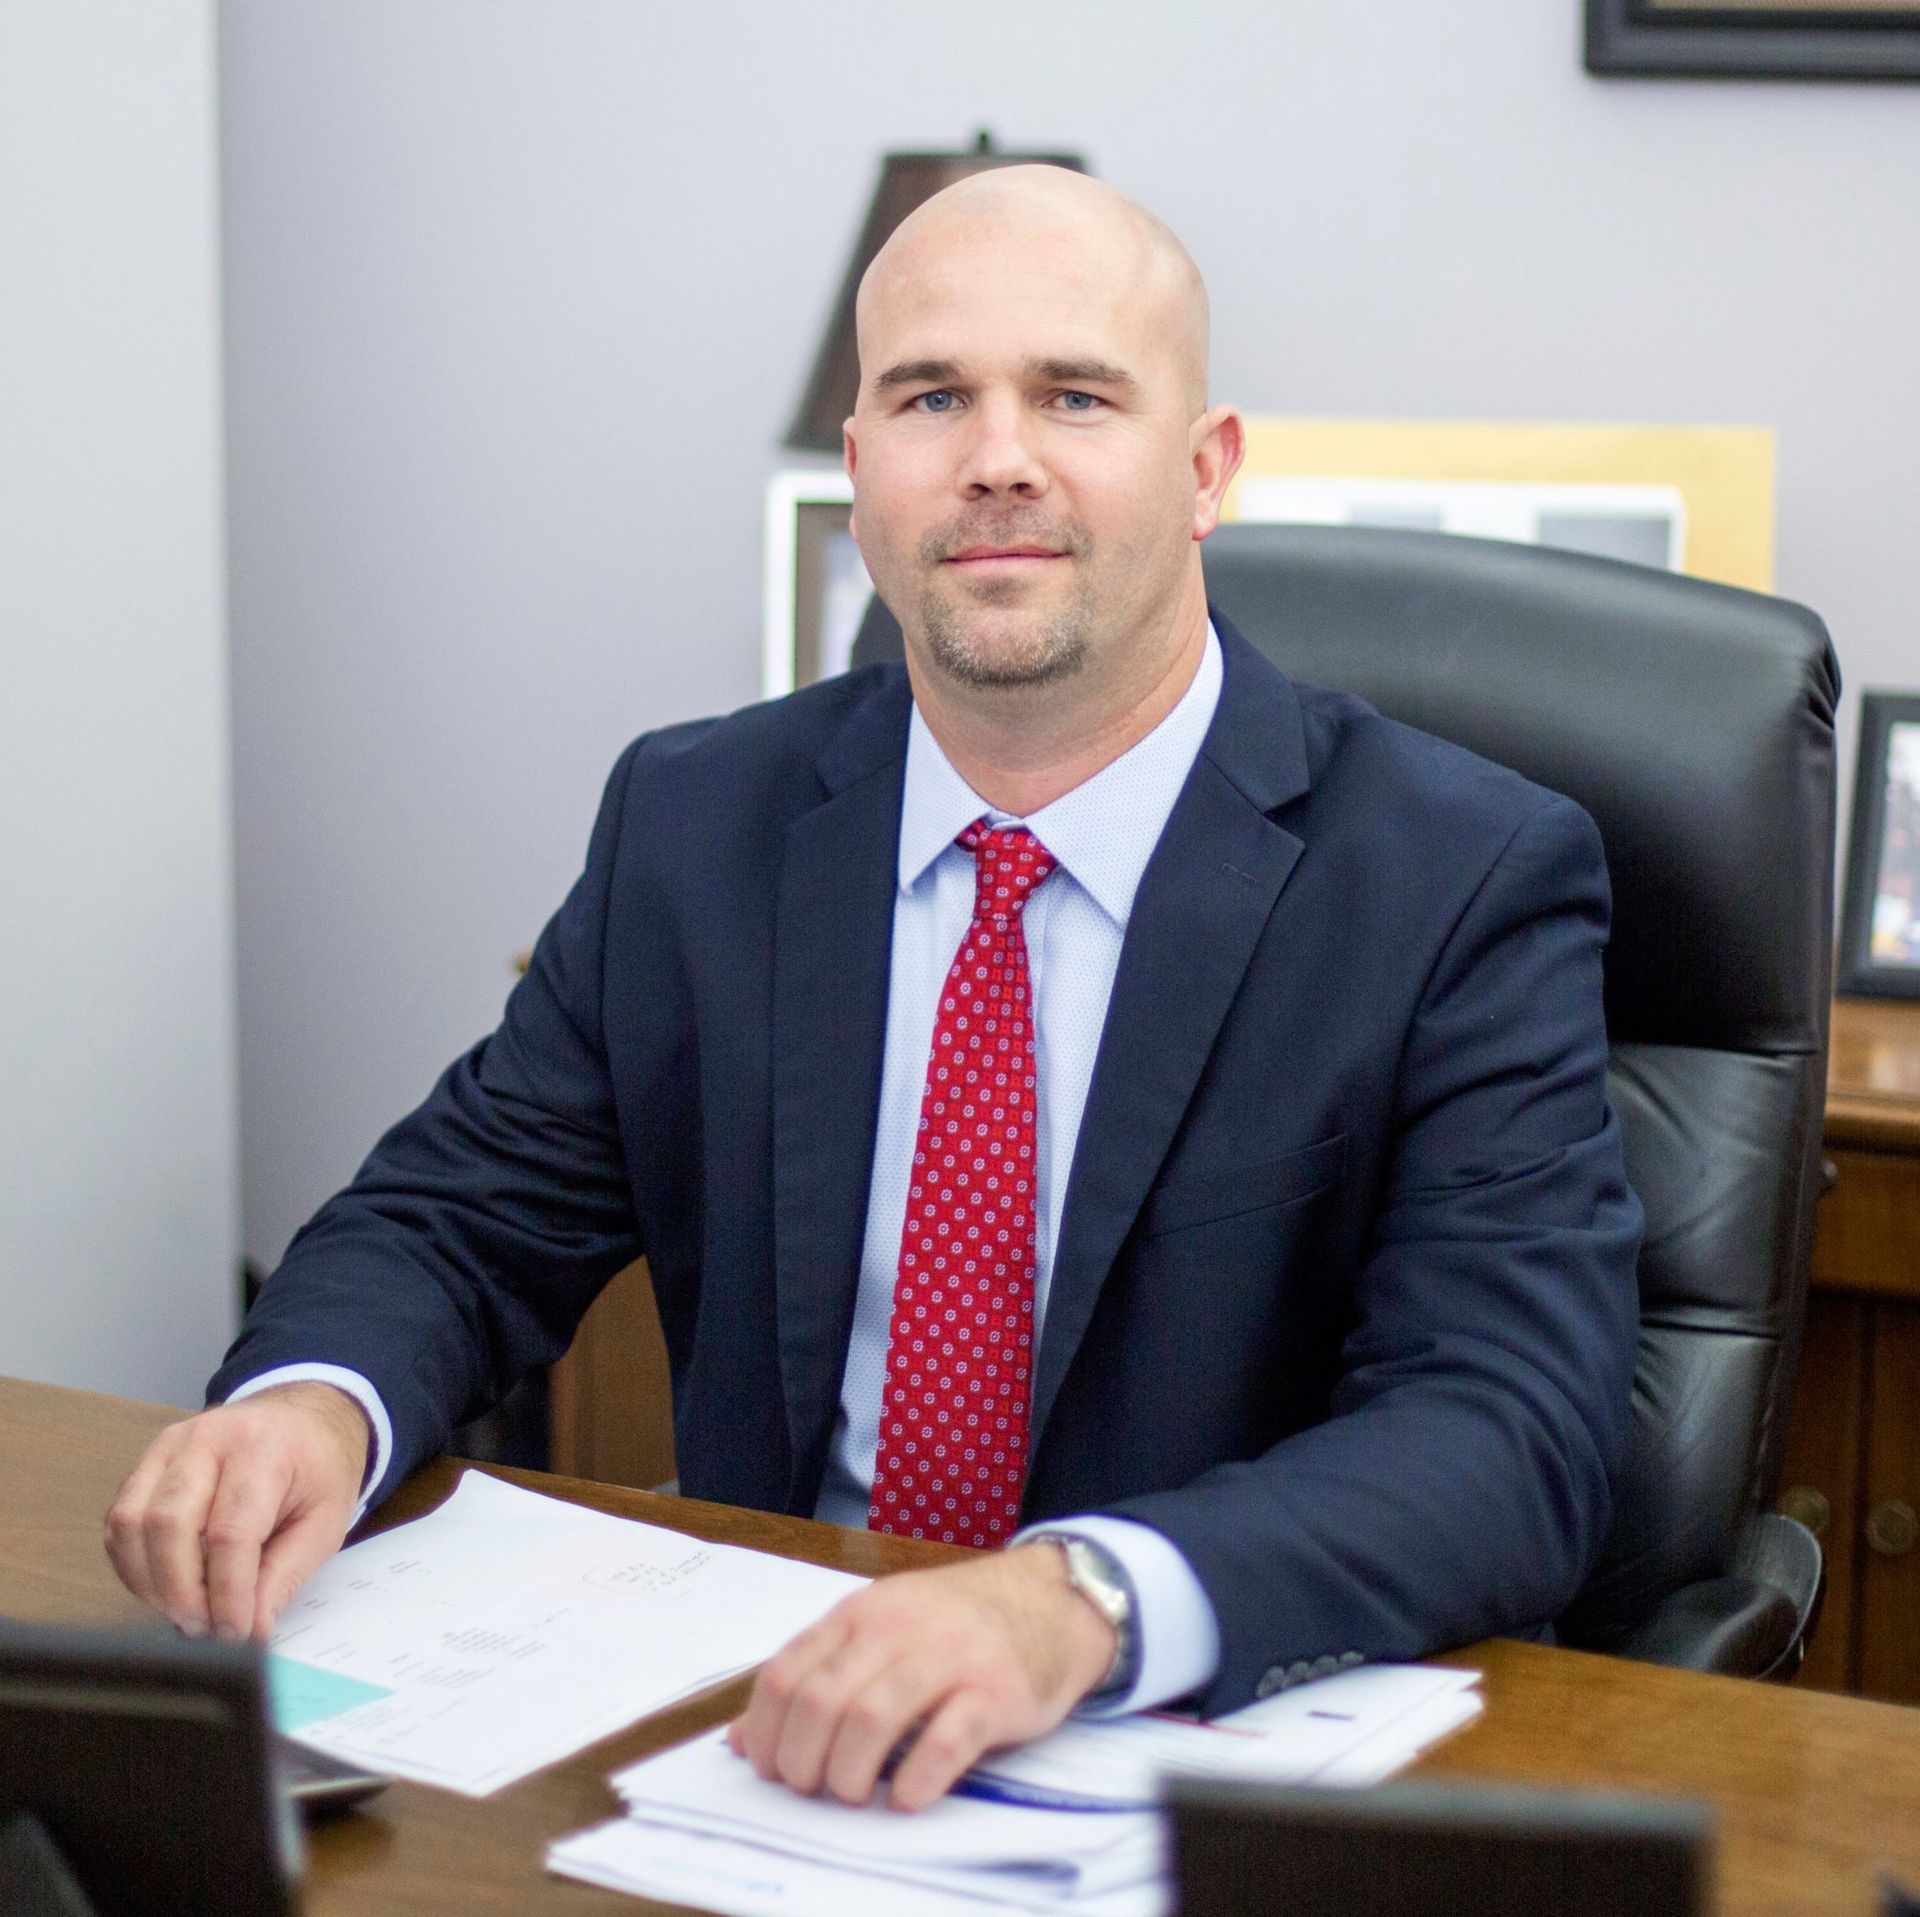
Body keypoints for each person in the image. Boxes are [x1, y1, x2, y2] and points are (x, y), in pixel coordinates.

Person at [104, 166, 1642, 1813]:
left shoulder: (1454, 876)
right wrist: (312, 1405)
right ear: (859, 476)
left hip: (1187, 1765)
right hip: (762, 1748)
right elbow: (455, 1219)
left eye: (1073, 393)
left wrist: (1080, 1598)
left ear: (1205, 473)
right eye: (931, 397)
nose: (996, 455)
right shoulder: (696, 824)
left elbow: (1512, 1426)